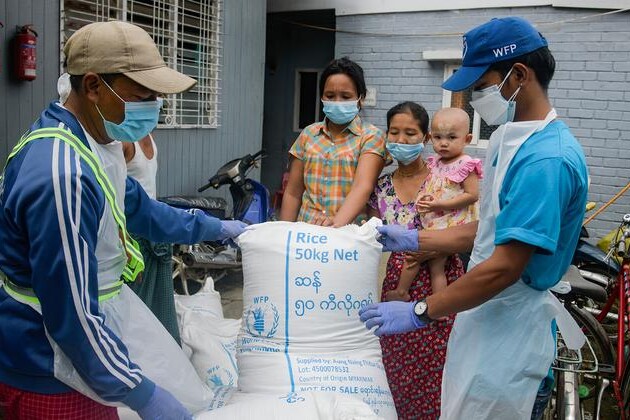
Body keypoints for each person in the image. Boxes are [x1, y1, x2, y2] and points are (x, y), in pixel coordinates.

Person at [0, 21, 246, 419]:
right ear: (94, 86)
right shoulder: (63, 174)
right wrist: (140, 393)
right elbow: (71, 314)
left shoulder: (96, 143)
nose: (153, 107)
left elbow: (139, 208)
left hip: (81, 355)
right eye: (141, 95)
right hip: (50, 367)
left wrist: (215, 227)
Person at [359, 16, 588, 419]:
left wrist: (420, 311)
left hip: (510, 332)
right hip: (486, 315)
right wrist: (419, 240)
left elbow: (504, 268)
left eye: (480, 87)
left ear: (518, 75)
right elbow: (494, 228)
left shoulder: (544, 160)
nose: (474, 97)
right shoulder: (509, 139)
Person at [367, 101, 464, 418]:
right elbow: (373, 234)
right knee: (395, 369)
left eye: (410, 133)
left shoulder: (444, 179)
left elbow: (466, 227)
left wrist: (430, 247)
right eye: (394, 132)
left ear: (425, 139)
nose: (401, 139)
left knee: (439, 369)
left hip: (441, 282)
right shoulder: (380, 185)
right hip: (398, 285)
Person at [386, 107, 481, 301]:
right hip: (435, 222)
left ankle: (409, 294)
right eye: (438, 137)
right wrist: (429, 199)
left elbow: (472, 195)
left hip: (452, 225)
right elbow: (437, 189)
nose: (444, 143)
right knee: (434, 266)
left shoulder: (466, 164)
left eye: (452, 137)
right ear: (430, 137)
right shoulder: (435, 163)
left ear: (467, 139)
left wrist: (439, 206)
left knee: (422, 257)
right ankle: (425, 299)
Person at [279, 57, 386, 226]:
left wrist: (334, 225)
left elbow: (362, 187)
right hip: (306, 235)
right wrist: (283, 233)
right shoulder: (308, 134)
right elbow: (293, 192)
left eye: (345, 96)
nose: (337, 102)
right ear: (321, 97)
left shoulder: (371, 137)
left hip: (348, 236)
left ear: (361, 98)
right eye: (330, 95)